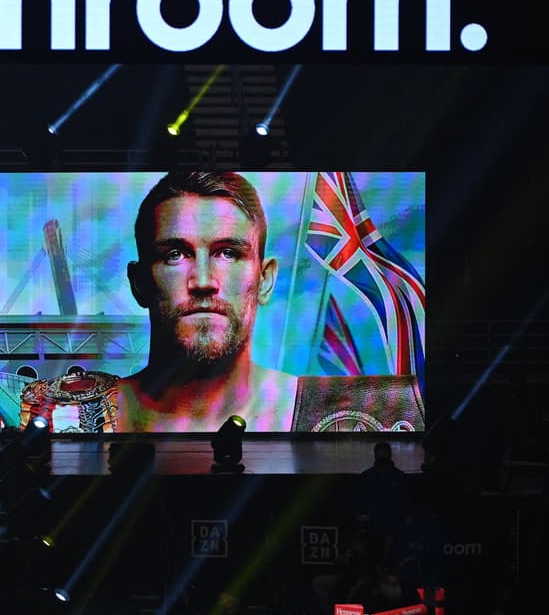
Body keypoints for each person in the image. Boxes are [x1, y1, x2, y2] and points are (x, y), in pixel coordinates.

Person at [107, 171, 424, 433]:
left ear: (265, 280)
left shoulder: (375, 411)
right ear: (139, 283)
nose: (203, 281)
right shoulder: (82, 414)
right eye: (175, 255)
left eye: (228, 253)